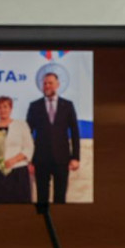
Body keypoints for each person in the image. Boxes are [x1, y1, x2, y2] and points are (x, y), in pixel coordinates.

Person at [26, 73, 80, 204]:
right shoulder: (34, 106)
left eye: (50, 83)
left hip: (62, 159)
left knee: (60, 197)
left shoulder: (67, 105)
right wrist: (29, 160)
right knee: (42, 197)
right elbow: (27, 135)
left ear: (57, 84)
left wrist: (76, 157)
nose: (47, 86)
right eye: (45, 83)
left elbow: (75, 132)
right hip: (40, 160)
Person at [0, 96, 34, 203]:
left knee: (21, 203)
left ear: (11, 108)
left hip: (18, 170)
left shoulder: (21, 125)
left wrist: (13, 160)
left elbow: (29, 147)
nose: (2, 110)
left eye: (5, 107)